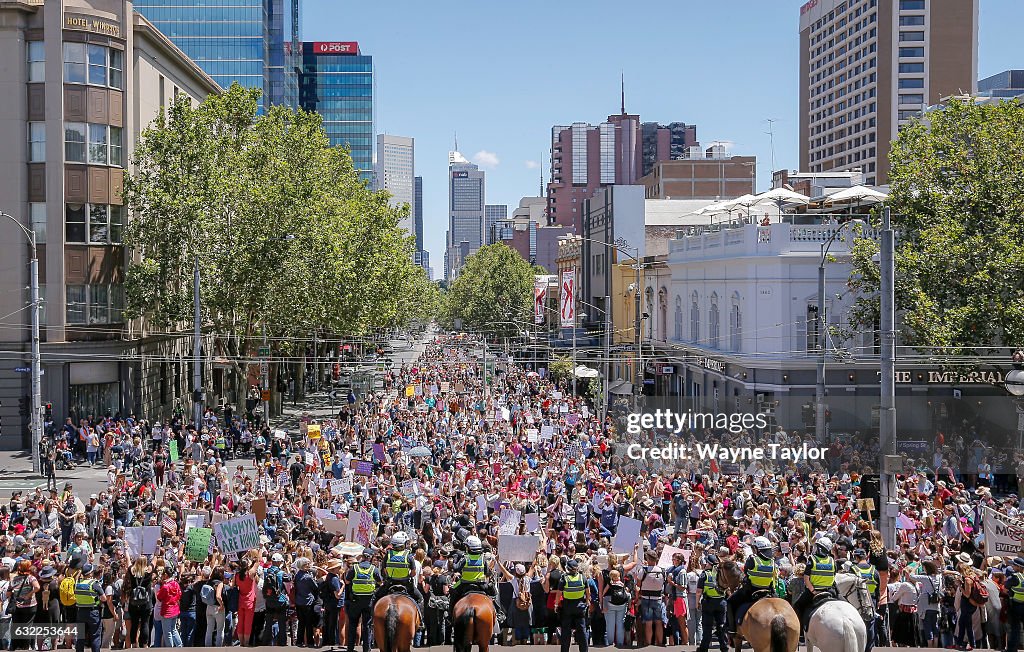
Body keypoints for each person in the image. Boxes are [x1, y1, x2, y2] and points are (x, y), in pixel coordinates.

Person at [448, 535, 505, 626]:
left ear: (469, 548)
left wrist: (453, 559)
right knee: (494, 594)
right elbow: (487, 572)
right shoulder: (482, 558)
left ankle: (450, 616)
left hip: (464, 583)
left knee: (452, 593)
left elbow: (456, 568)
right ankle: (499, 613)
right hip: (481, 584)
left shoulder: (465, 558)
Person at [727, 536, 777, 633]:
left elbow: (746, 573)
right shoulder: (772, 561)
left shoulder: (752, 559)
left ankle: (732, 629)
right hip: (768, 591)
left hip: (751, 591)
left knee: (730, 602)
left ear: (757, 549)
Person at [794, 536, 838, 631]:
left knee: (797, 606)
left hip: (813, 592)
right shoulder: (832, 560)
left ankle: (800, 631)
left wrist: (813, 591)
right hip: (830, 591)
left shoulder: (812, 559)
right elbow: (834, 576)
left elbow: (806, 578)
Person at [345, 549, 381, 652]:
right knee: (367, 626)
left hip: (355, 600)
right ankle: (367, 649)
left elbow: (347, 581)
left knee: (352, 624)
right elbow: (380, 582)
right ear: (370, 557)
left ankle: (350, 648)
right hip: (368, 601)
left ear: (362, 556)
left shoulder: (354, 568)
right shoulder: (374, 569)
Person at [554, 558, 590, 652]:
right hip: (580, 607)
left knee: (566, 631)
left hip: (567, 607)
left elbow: (559, 593)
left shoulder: (564, 578)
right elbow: (588, 591)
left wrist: (556, 604)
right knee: (582, 631)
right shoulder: (582, 577)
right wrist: (587, 601)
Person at [696, 554, 729, 652]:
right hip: (721, 602)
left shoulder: (705, 574)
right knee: (721, 625)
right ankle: (724, 647)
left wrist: (697, 603)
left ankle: (704, 648)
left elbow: (698, 591)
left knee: (707, 626)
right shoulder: (722, 573)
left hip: (708, 602)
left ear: (709, 564)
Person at [73, 563, 110, 652]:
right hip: (93, 612)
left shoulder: (77, 584)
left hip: (80, 612)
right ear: (90, 573)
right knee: (95, 636)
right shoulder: (94, 584)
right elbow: (104, 598)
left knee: (80, 636)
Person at [1005, 557, 1024, 652]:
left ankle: (1012, 649)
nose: (1012, 566)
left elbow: (1006, 585)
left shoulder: (1015, 577)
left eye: (1014, 565)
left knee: (1015, 628)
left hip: (1016, 605)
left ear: (1018, 567)